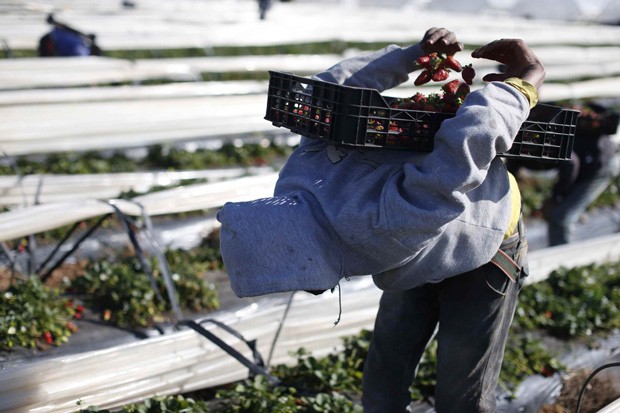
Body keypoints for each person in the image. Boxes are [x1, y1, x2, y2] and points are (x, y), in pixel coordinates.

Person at [217, 27, 543, 411]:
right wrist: (518, 87)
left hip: (485, 237)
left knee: (460, 399)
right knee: (382, 389)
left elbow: (465, 145)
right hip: (413, 244)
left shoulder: (372, 226)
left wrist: (520, 85)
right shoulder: (318, 196)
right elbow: (459, 149)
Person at [38, 14, 102, 57]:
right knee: (78, 35)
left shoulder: (83, 51)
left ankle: (54, 22)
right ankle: (54, 22)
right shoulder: (85, 49)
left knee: (77, 35)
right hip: (53, 40)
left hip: (51, 41)